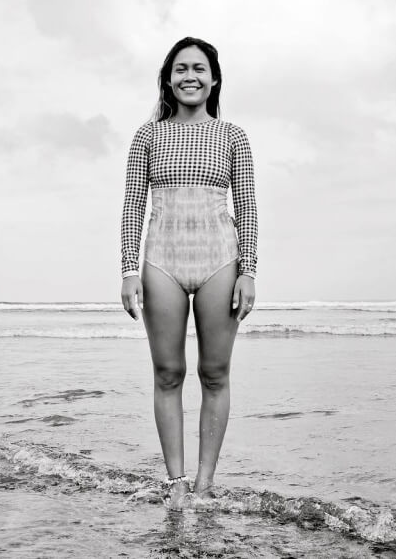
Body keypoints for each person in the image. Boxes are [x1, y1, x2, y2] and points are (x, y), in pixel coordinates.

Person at [120, 36, 257, 509]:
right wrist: (127, 271)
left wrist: (249, 272)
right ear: (169, 78)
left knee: (214, 373)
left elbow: (249, 209)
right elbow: (133, 206)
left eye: (199, 68)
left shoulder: (233, 136)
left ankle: (205, 482)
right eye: (180, 69)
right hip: (162, 261)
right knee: (168, 372)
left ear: (214, 79)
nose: (190, 77)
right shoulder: (148, 136)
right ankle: (175, 482)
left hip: (221, 259)